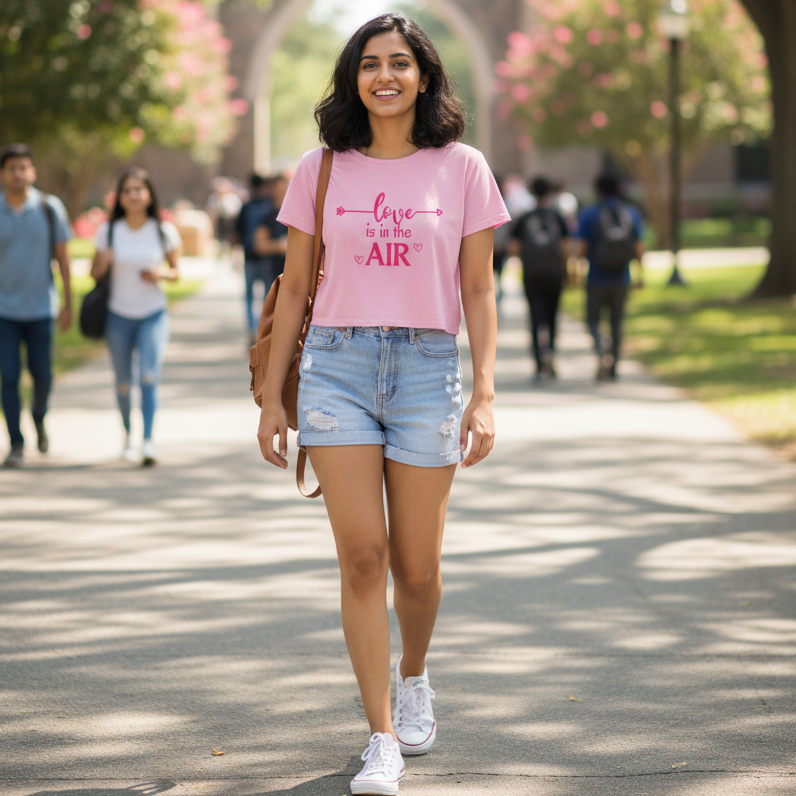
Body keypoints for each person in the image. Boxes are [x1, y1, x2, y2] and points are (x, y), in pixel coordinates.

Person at [256, 14, 509, 795]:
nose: (385, 76)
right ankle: (382, 736)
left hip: (428, 368)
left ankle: (416, 673)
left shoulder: (462, 167)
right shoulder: (321, 167)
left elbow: (477, 286)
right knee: (363, 556)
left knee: (417, 567)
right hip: (336, 366)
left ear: (426, 76)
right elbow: (295, 286)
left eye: (401, 63)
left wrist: (487, 393)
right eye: (370, 64)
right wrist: (272, 399)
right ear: (352, 78)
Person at [91, 167, 181, 465]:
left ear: (149, 195)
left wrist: (161, 274)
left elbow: (176, 273)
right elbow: (93, 274)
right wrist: (102, 263)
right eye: (127, 190)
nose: (133, 195)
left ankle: (147, 441)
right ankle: (128, 436)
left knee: (148, 377)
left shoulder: (162, 230)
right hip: (118, 315)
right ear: (120, 197)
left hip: (152, 315)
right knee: (122, 381)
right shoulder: (108, 231)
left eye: (138, 190)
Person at [0, 143, 72, 468]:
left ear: (33, 171)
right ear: (3, 174)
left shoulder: (49, 207)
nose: (18, 173)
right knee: (9, 377)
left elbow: (64, 259)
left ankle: (39, 418)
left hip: (42, 308)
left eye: (23, 167)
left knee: (42, 376)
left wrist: (69, 302)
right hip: (4, 312)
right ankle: (16, 442)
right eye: (12, 168)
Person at [577, 174, 644, 381]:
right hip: (622, 277)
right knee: (617, 322)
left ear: (599, 191)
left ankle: (601, 349)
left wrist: (575, 270)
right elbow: (639, 247)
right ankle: (613, 365)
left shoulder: (590, 214)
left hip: (596, 277)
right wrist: (641, 274)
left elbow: (581, 247)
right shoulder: (631, 213)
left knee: (593, 320)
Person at [510, 176, 569, 380]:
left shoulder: (525, 217)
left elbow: (514, 247)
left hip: (532, 274)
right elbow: (565, 247)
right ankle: (550, 356)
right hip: (554, 273)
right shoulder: (557, 216)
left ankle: (537, 364)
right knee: (552, 318)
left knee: (535, 318)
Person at [235, 173, 274, 343]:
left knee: (249, 297)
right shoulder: (270, 206)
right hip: (266, 258)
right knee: (267, 297)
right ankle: (262, 329)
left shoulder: (247, 206)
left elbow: (237, 233)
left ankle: (252, 328)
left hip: (249, 256)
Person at [251, 173, 288, 285]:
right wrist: (281, 246)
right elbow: (259, 245)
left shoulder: (298, 214)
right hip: (273, 271)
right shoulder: (267, 215)